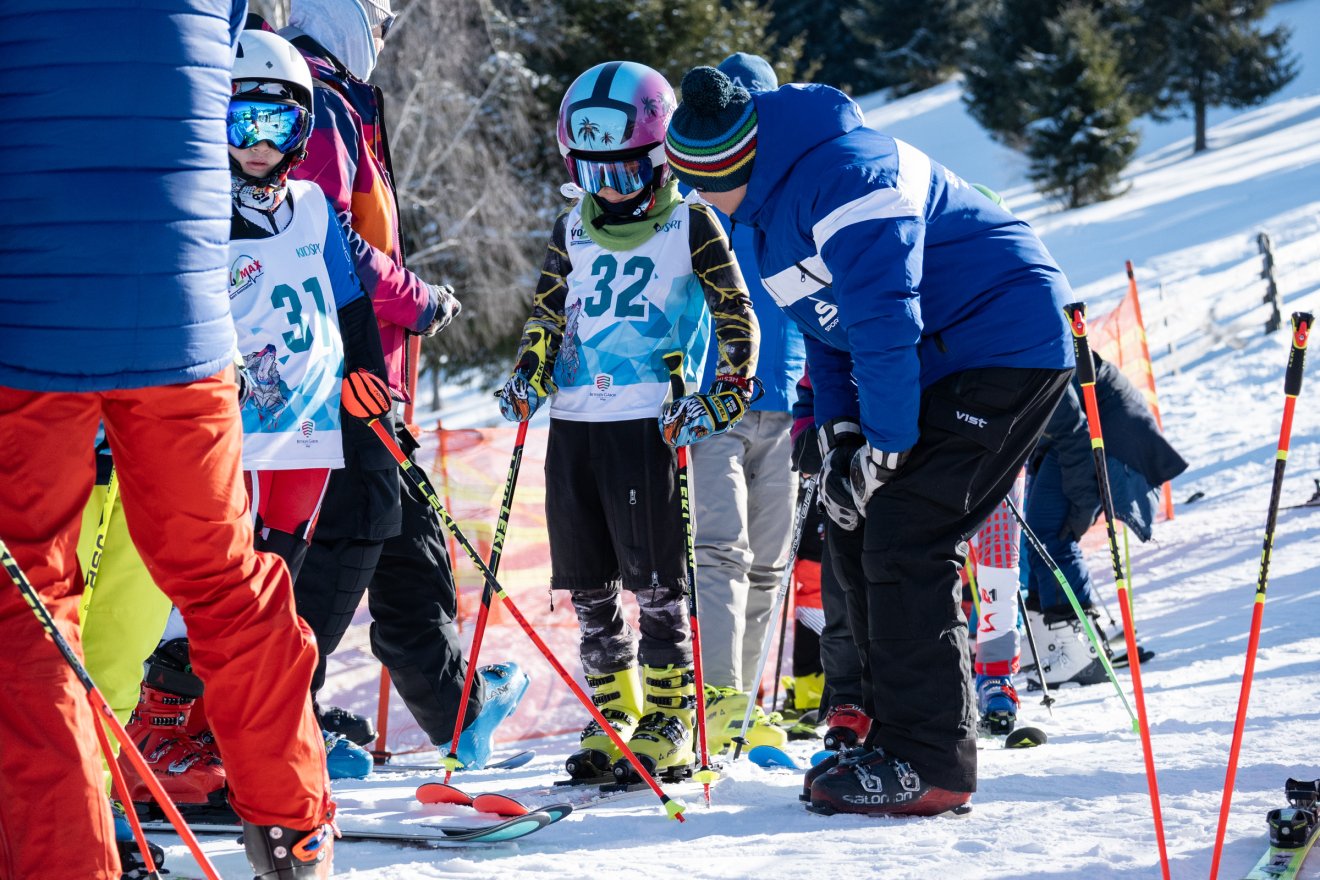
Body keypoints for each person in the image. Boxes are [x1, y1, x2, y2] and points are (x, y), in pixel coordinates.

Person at [665, 66, 1075, 816]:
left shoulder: (847, 174)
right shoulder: (757, 217)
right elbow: (828, 330)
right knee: (856, 523)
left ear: (729, 165)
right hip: (934, 358)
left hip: (1002, 340)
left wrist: (884, 446)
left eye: (697, 182)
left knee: (908, 532)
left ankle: (933, 762)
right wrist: (844, 432)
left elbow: (884, 321)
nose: (692, 198)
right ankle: (889, 729)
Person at [0, 2, 334, 877]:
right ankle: (296, 821)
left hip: (31, 325)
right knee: (226, 579)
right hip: (181, 325)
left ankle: (62, 859)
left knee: (28, 611)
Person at [280, 0, 528, 766]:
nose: (384, 40)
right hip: (330, 369)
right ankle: (275, 715)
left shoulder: (342, 101)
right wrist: (416, 299)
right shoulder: (316, 103)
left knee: (406, 538)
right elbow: (320, 235)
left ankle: (460, 714)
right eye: (380, 22)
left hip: (366, 376)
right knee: (358, 526)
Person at [496, 60, 759, 783]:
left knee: (656, 581)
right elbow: (550, 314)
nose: (607, 190)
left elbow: (736, 311)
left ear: (659, 158)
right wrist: (529, 372)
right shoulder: (571, 228)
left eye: (624, 172)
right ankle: (614, 707)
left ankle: (671, 711)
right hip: (576, 419)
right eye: (592, 174)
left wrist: (728, 391)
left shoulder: (690, 219)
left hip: (652, 419)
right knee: (588, 581)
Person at [688, 53, 805, 755]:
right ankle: (719, 701)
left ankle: (746, 700)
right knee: (719, 552)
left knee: (770, 561)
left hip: (785, 403)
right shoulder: (703, 199)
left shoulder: (793, 199)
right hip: (715, 400)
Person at [1021, 350, 1187, 686]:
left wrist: (1082, 509)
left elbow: (1073, 432)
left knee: (1052, 533)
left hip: (1098, 430)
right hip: (1073, 428)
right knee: (1038, 535)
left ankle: (1079, 650)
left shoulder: (1024, 353)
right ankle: (1046, 638)